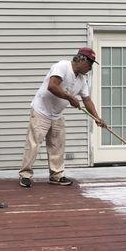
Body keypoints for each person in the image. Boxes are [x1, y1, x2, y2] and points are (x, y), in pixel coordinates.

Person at [19, 47, 106, 188]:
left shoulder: (82, 80)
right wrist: (70, 98)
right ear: (81, 59)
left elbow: (87, 100)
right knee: (34, 144)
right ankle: (25, 175)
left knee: (57, 146)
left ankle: (56, 175)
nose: (90, 67)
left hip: (57, 114)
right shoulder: (62, 66)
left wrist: (96, 118)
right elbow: (52, 86)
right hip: (41, 110)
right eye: (90, 63)